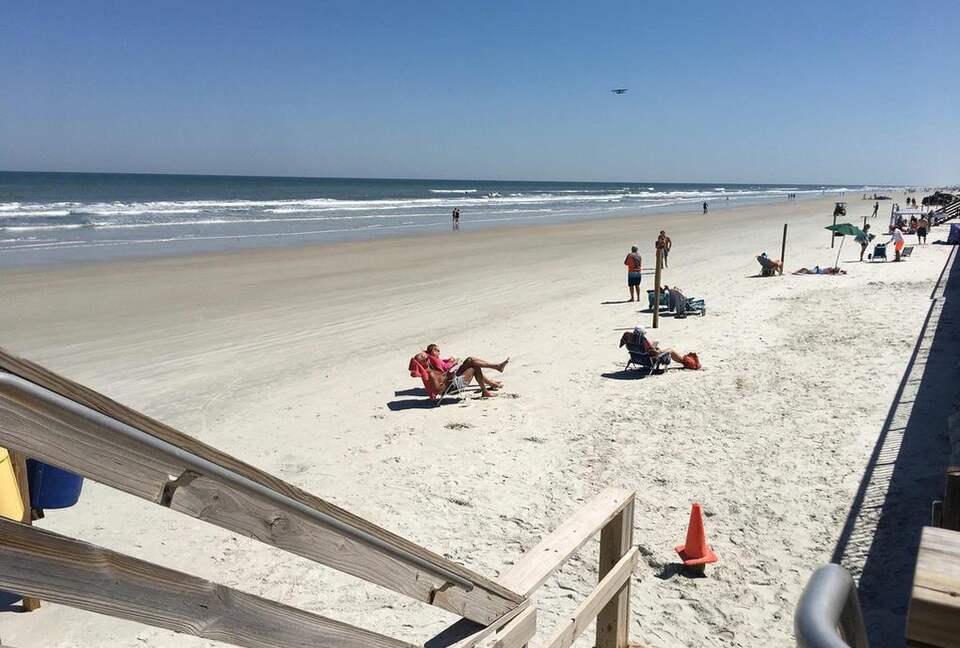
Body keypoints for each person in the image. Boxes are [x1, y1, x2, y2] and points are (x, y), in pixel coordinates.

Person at [418, 346, 509, 399]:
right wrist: (449, 377)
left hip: (452, 380)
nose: (425, 355)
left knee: (470, 360)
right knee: (474, 367)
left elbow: (438, 380)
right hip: (453, 386)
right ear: (422, 362)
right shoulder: (431, 373)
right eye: (423, 356)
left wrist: (450, 372)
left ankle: (496, 371)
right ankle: (486, 390)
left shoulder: (429, 369)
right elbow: (438, 390)